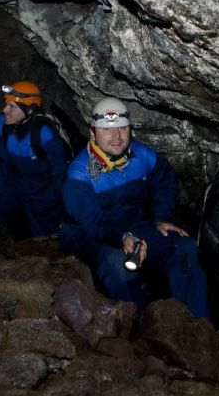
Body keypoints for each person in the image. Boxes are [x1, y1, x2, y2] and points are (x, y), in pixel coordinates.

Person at [59, 96, 210, 319]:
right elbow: (92, 220)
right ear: (93, 133)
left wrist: (161, 217)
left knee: (184, 248)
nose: (116, 136)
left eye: (122, 128)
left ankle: (194, 323)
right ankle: (143, 326)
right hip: (89, 233)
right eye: (107, 130)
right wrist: (123, 236)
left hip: (134, 224)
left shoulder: (142, 156)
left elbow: (164, 179)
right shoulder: (80, 172)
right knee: (118, 265)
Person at [0, 81, 68, 239]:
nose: (5, 110)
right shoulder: (2, 124)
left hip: (43, 190)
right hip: (14, 184)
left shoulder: (44, 132)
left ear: (29, 110)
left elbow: (59, 172)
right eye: (6, 104)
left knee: (47, 239)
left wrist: (65, 208)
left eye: (12, 107)